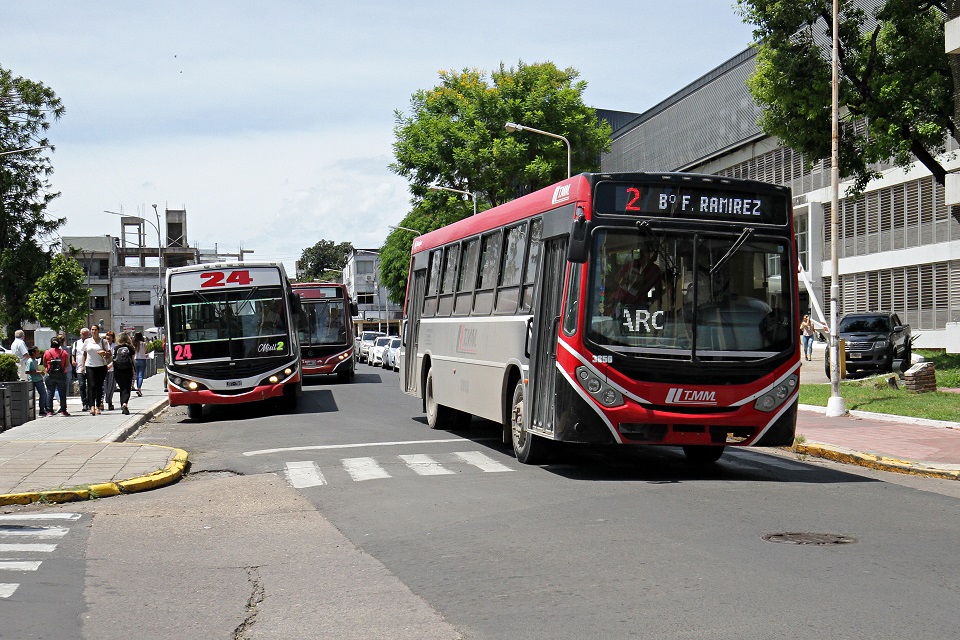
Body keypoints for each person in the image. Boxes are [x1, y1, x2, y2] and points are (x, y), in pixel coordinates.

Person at [80, 326, 109, 415]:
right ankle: (91, 406)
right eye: (92, 330)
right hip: (90, 366)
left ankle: (98, 406)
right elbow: (84, 354)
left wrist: (103, 352)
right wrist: (83, 366)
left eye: (95, 330)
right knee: (91, 385)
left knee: (99, 386)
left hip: (101, 366)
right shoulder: (87, 341)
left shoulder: (103, 341)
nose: (94, 331)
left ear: (98, 331)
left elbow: (109, 353)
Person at [43, 337, 70, 416]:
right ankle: (63, 410)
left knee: (50, 392)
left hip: (50, 374)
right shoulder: (64, 352)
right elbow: (67, 364)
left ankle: (49, 411)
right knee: (62, 393)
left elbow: (44, 364)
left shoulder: (47, 352)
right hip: (61, 374)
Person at [112, 332, 135, 415]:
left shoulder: (116, 348)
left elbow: (114, 358)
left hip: (118, 370)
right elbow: (132, 360)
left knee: (122, 388)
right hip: (127, 369)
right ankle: (124, 403)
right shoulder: (130, 348)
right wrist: (133, 369)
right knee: (127, 388)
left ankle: (122, 404)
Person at [25, 346, 50, 417]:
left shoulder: (35, 360)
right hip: (35, 380)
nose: (39, 352)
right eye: (37, 351)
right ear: (33, 353)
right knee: (43, 394)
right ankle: (42, 409)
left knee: (43, 394)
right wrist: (38, 372)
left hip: (39, 379)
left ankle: (45, 408)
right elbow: (27, 371)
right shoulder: (30, 361)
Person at [73, 328, 91, 412]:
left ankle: (90, 402)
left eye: (85, 334)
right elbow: (73, 354)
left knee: (91, 386)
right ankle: (84, 403)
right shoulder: (76, 343)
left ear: (88, 334)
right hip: (79, 367)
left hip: (90, 366)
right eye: (82, 334)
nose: (84, 335)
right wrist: (73, 361)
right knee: (82, 385)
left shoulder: (91, 342)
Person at [102, 331, 117, 411]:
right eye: (107, 337)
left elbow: (116, 357)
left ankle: (109, 401)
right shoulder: (102, 345)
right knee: (103, 386)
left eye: (110, 337)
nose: (108, 338)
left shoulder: (115, 346)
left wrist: (111, 364)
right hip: (102, 368)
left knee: (110, 386)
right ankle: (100, 402)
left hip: (112, 368)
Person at [133, 331, 148, 397]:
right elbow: (145, 351)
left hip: (136, 360)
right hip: (142, 359)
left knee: (137, 375)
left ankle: (137, 387)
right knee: (141, 375)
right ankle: (139, 388)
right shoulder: (143, 343)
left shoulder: (134, 344)